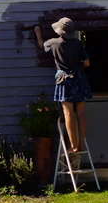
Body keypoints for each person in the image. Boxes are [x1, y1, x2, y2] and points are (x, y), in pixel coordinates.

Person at [34, 17, 91, 153]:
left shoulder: (53, 43)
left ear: (60, 31)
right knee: (81, 113)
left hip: (64, 79)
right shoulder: (77, 43)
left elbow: (41, 45)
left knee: (68, 113)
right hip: (79, 78)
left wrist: (37, 33)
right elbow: (87, 63)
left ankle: (74, 146)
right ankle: (82, 144)